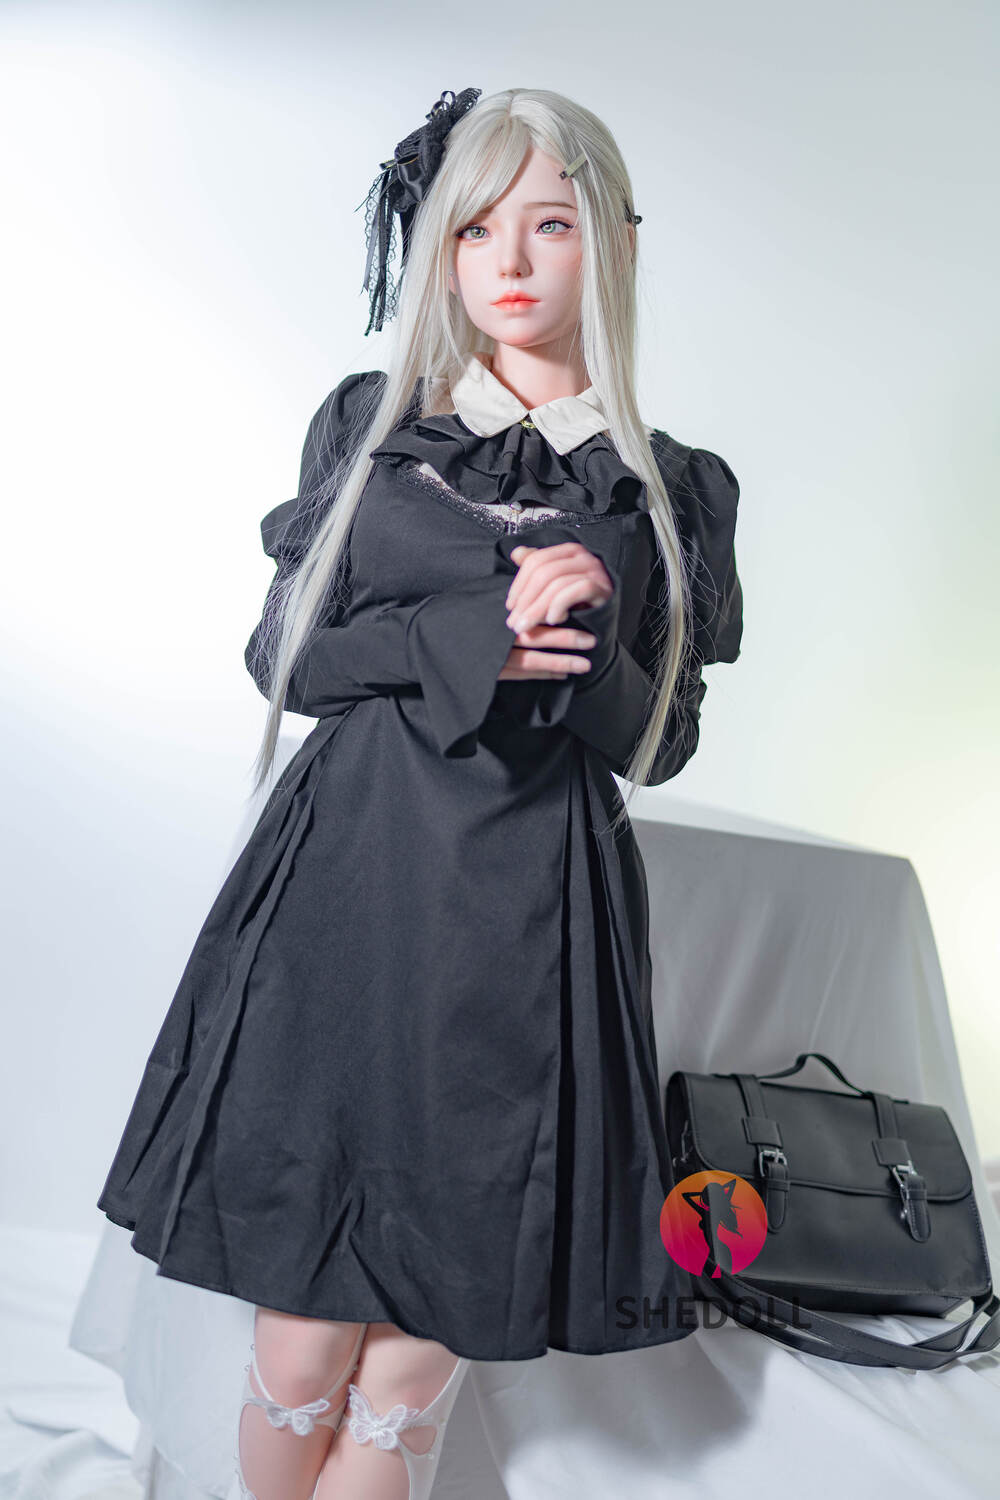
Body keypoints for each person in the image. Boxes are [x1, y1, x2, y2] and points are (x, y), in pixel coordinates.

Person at [96, 85, 743, 1500]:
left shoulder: (668, 486)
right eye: (472, 230)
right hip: (354, 884)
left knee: (411, 1364)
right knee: (303, 1336)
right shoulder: (370, 425)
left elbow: (661, 745)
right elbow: (285, 658)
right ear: (440, 249)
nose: (508, 262)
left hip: (529, 925)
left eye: (550, 225)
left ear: (615, 244)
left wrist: (587, 647)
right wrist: (472, 638)